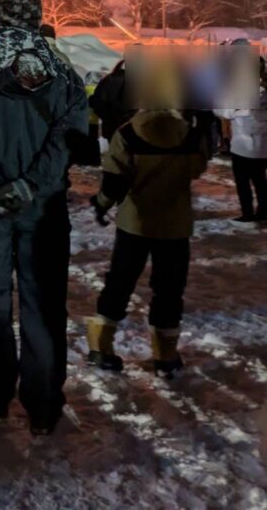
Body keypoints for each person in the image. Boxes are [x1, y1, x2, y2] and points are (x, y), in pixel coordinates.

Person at [0, 0, 88, 435]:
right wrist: (31, 185)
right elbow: (68, 141)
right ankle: (43, 406)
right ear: (35, 19)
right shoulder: (65, 75)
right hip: (42, 207)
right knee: (43, 304)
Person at [87, 102, 209, 376]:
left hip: (135, 223)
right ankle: (165, 356)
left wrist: (101, 204)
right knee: (169, 288)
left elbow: (115, 181)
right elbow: (197, 168)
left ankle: (101, 347)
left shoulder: (128, 133)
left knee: (120, 281)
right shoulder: (190, 134)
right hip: (175, 224)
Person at [217, 57, 267, 223]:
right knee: (260, 181)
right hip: (262, 147)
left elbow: (223, 112)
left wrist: (238, 111)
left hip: (242, 147)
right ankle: (262, 211)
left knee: (243, 183)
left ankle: (248, 213)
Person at [90, 59, 136, 142]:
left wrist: (108, 119)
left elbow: (96, 102)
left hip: (112, 130)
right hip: (134, 131)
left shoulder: (109, 79)